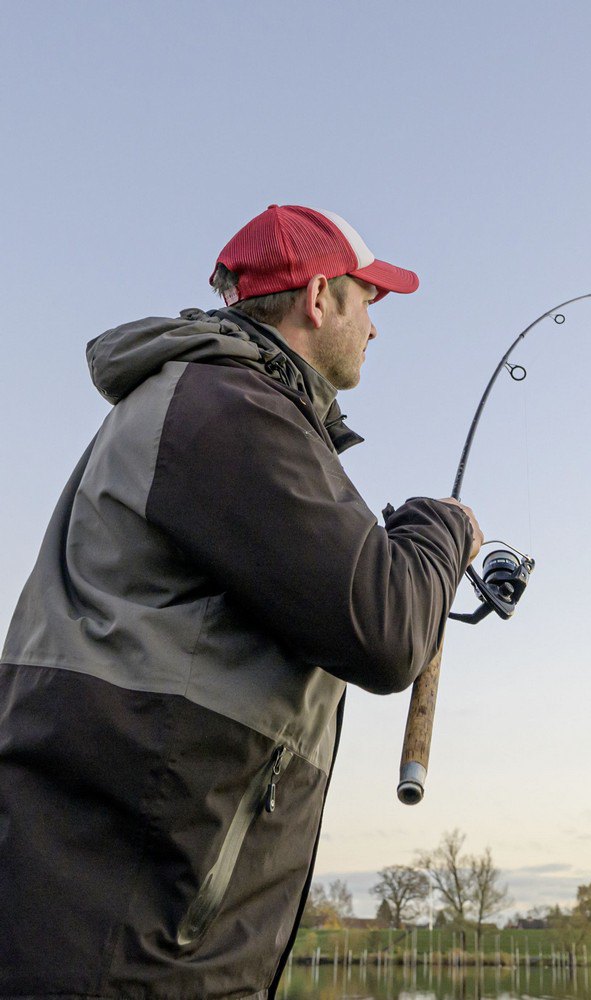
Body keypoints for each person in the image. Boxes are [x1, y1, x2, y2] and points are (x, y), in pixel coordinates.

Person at [0, 204, 482, 999]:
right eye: (368, 300)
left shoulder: (215, 407)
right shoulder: (225, 409)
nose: (375, 326)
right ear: (319, 298)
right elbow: (387, 628)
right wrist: (445, 528)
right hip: (122, 954)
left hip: (139, 940)